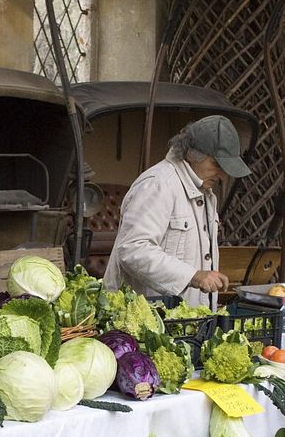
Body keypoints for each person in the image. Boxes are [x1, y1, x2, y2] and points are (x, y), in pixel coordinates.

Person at [104, 115, 252, 309]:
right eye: (217, 165)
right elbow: (133, 248)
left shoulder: (205, 192)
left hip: (184, 320)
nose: (223, 176)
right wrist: (193, 276)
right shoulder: (159, 184)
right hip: (144, 320)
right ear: (193, 154)